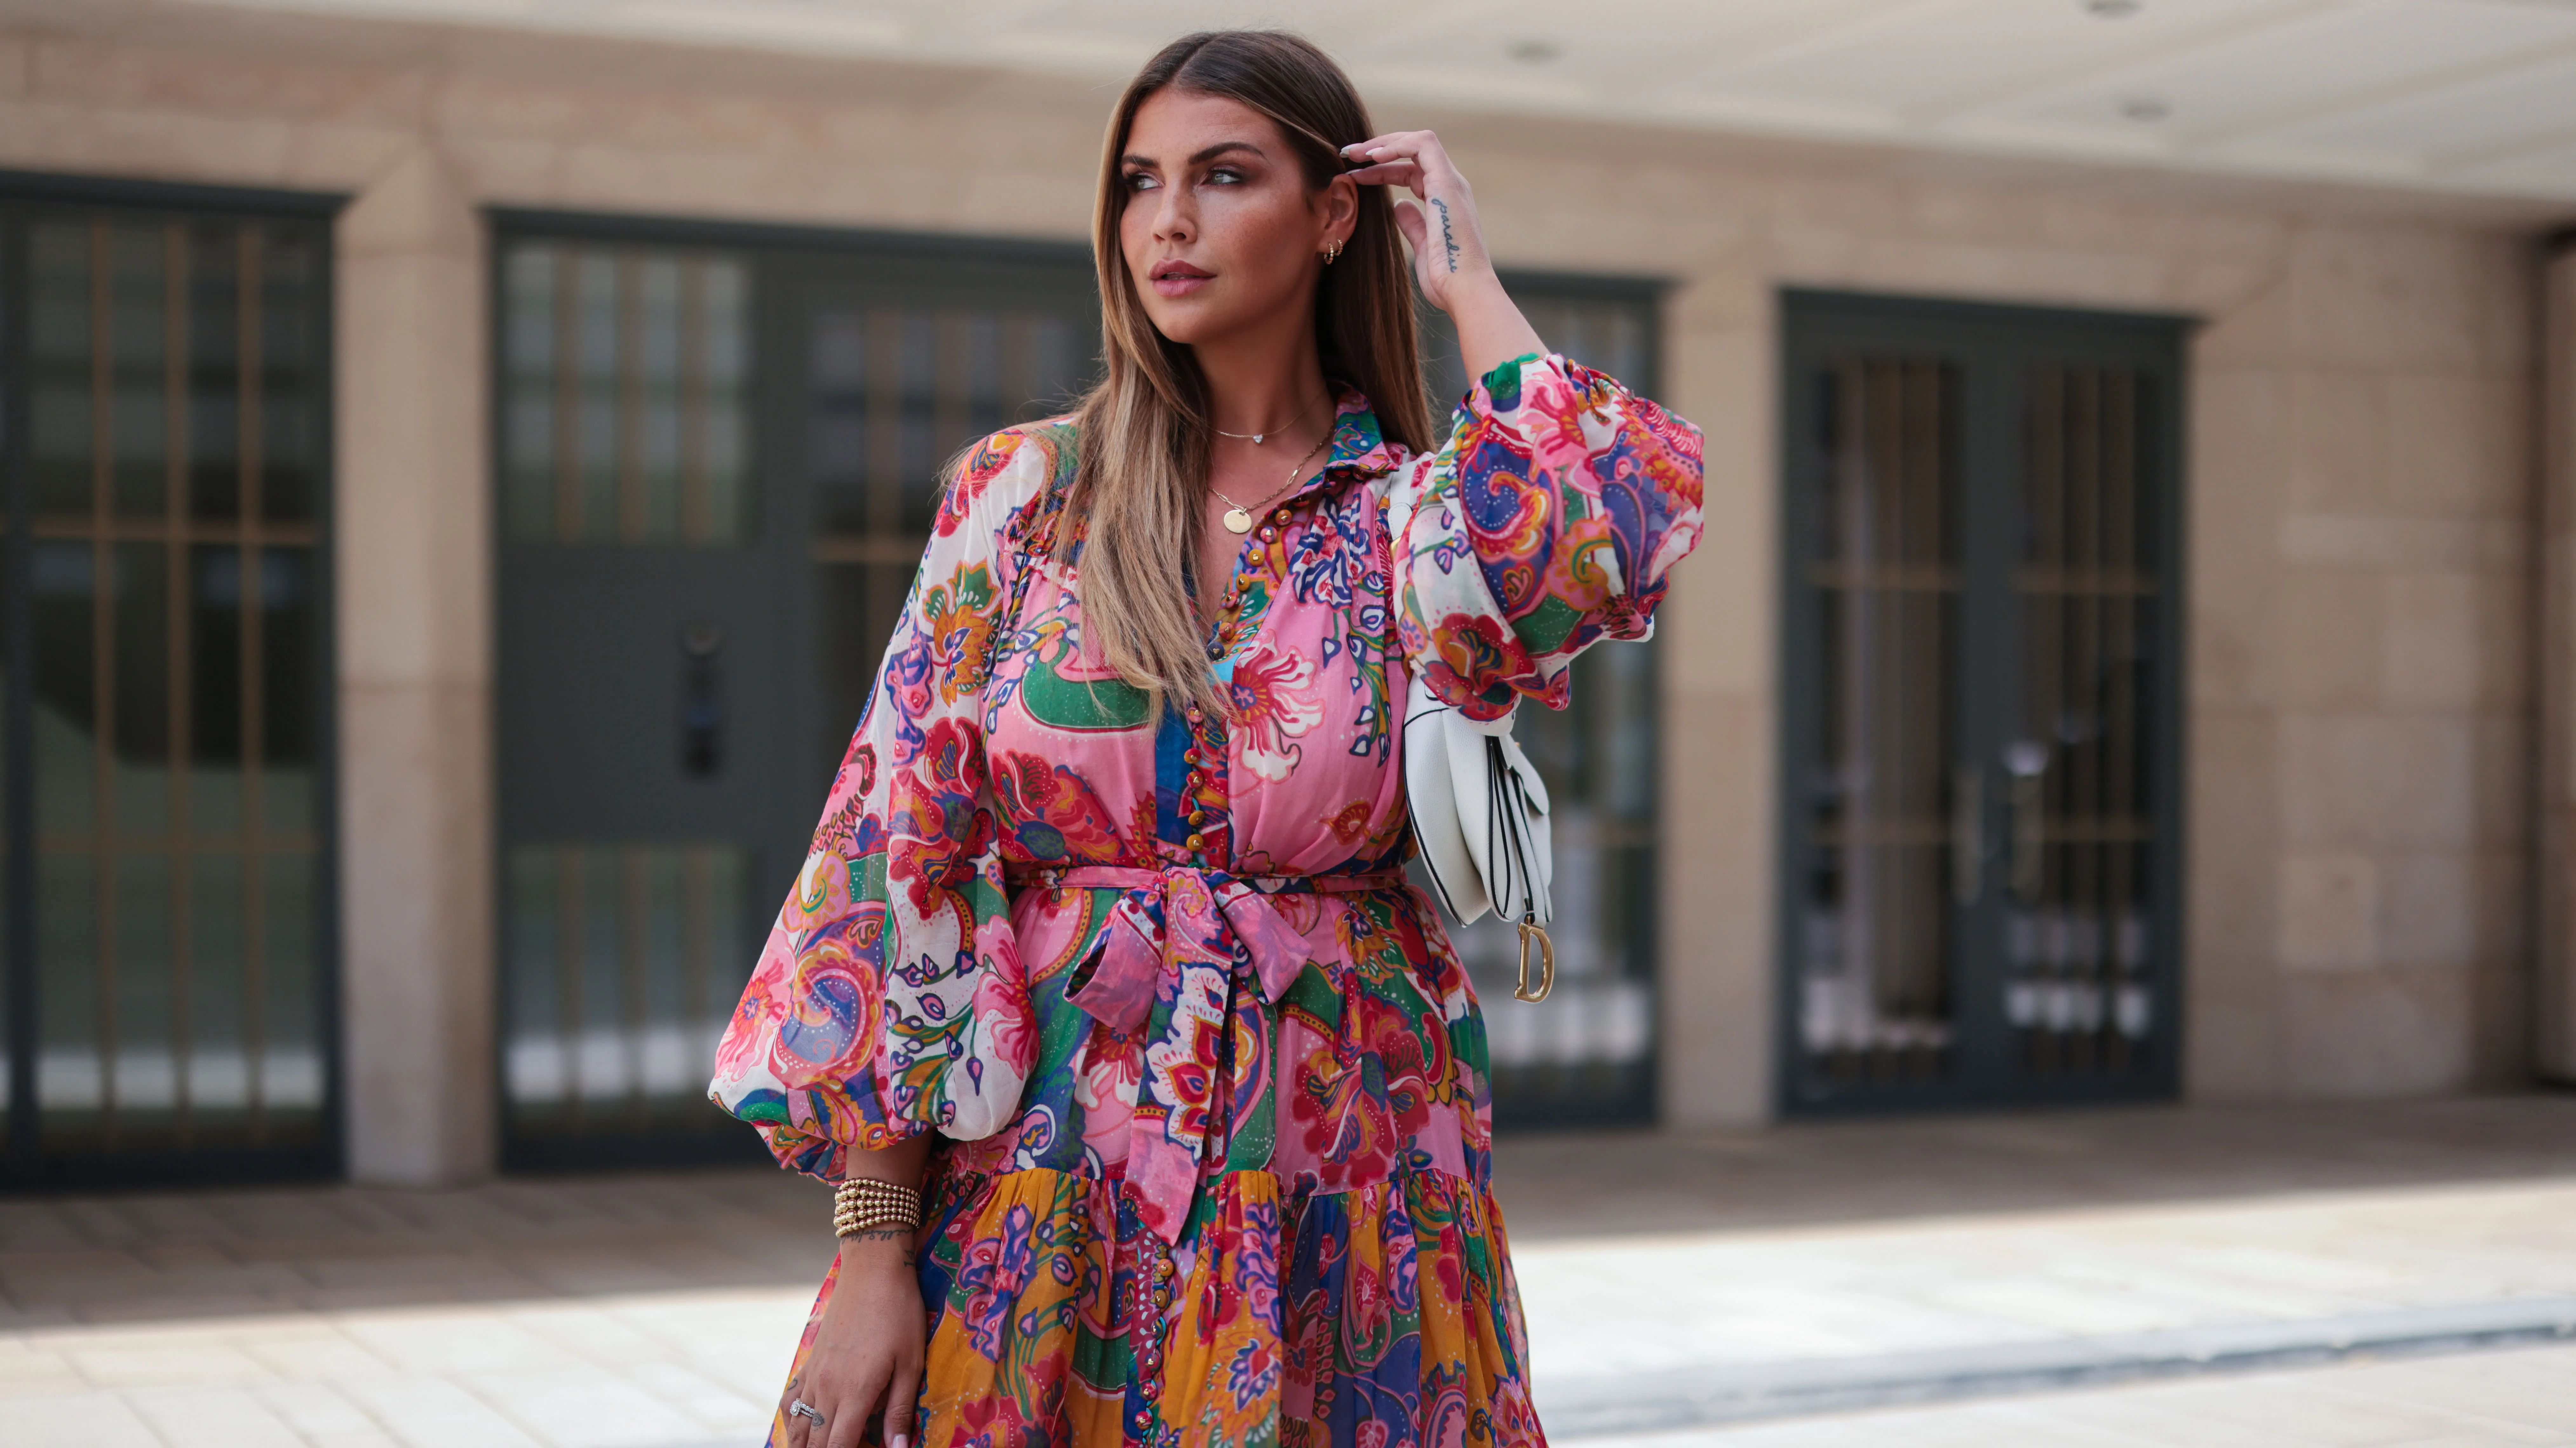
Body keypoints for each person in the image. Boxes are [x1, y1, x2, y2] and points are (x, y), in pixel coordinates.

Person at [709, 28, 1704, 1448]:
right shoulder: (1029, 496)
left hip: (1353, 1185)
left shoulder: (1411, 522)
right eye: (1137, 182)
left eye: (1223, 176)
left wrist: (1466, 281)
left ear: (1331, 213)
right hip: (1052, 1187)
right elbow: (900, 856)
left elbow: (1610, 529)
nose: (1165, 220)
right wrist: (873, 1246)